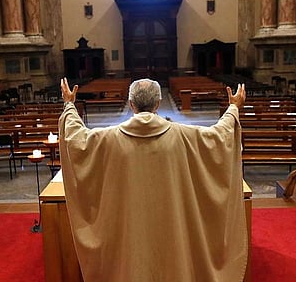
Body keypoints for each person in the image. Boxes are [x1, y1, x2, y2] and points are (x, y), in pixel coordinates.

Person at [59, 77, 248, 282]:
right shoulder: (184, 135)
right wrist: (233, 108)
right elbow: (220, 137)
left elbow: (77, 140)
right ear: (158, 103)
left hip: (129, 235)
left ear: (131, 105)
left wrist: (69, 105)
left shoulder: (109, 139)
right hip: (173, 231)